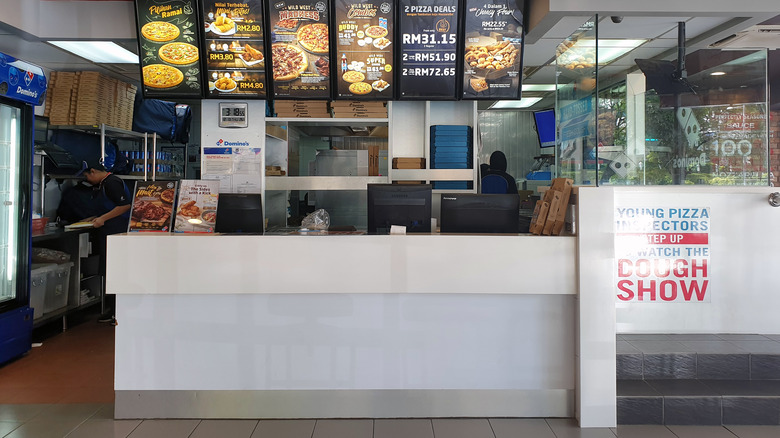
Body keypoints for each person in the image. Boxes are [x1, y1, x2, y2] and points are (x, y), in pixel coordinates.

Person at [75, 159, 131, 324]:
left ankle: (117, 311)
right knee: (110, 271)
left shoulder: (112, 183)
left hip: (117, 233)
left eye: (86, 176)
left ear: (93, 171)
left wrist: (103, 219)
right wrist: (95, 218)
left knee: (116, 272)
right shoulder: (104, 183)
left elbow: (124, 206)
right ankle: (113, 309)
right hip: (108, 233)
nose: (86, 181)